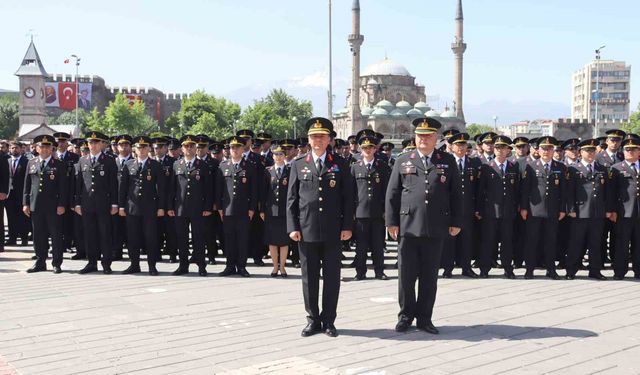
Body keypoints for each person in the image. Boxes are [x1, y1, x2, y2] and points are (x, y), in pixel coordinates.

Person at [386, 117, 462, 334]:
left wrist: (456, 221)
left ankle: (425, 318)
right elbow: (392, 193)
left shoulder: (447, 160)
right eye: (420, 135)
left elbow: (456, 194)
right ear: (415, 137)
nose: (424, 139)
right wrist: (391, 222)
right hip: (408, 226)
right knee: (406, 276)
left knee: (429, 276)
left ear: (436, 138)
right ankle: (405, 316)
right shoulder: (403, 160)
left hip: (436, 226)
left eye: (428, 136)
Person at [287, 117, 354, 338]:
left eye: (321, 137)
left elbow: (348, 199)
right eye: (314, 137)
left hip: (333, 230)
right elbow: (292, 200)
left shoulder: (340, 164)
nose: (317, 140)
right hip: (306, 230)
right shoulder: (299, 164)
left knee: (332, 278)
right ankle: (312, 319)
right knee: (309, 277)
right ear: (308, 139)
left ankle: (329, 320)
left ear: (329, 140)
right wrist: (293, 227)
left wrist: (347, 226)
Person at [520, 136, 567, 280]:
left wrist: (563, 209)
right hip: (534, 210)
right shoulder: (531, 166)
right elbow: (525, 190)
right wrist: (523, 207)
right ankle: (529, 269)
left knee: (551, 241)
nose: (546, 151)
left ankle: (551, 269)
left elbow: (563, 191)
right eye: (543, 149)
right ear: (538, 150)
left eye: (549, 149)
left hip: (553, 211)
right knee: (532, 241)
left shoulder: (560, 167)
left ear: (554, 151)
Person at [118, 136, 166, 276]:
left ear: (149, 148)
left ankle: (152, 266)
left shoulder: (156, 165)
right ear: (135, 149)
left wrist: (161, 207)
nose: (142, 150)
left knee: (151, 238)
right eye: (139, 147)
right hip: (132, 208)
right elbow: (123, 188)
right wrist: (121, 206)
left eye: (144, 147)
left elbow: (161, 188)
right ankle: (134, 265)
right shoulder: (129, 165)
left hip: (150, 208)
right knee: (133, 238)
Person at [565, 139, 612, 280]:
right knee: (576, 243)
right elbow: (569, 192)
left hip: (597, 212)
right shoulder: (574, 169)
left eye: (592, 151)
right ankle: (571, 270)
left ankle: (595, 270)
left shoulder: (602, 169)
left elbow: (607, 192)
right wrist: (571, 209)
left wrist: (608, 209)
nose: (590, 153)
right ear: (581, 152)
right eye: (587, 151)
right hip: (579, 212)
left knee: (595, 243)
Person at [167, 135, 213, 277]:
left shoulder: (203, 165)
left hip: (197, 208)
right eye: (186, 146)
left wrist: (207, 207)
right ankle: (183, 265)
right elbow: (172, 188)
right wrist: (169, 206)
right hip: (180, 207)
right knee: (182, 238)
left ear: (195, 148)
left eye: (192, 146)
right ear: (182, 148)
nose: (189, 148)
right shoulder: (176, 164)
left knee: (198, 237)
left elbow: (208, 189)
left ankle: (201, 266)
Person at [75, 131, 119, 274]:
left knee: (104, 234)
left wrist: (114, 203)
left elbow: (113, 184)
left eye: (95, 142)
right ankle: (91, 262)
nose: (92, 145)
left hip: (103, 204)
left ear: (101, 144)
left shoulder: (109, 160)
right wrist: (77, 203)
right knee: (89, 234)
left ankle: (106, 264)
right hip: (87, 204)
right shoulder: (82, 161)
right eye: (90, 143)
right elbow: (78, 184)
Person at [23, 135, 68, 273]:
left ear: (52, 148)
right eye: (41, 146)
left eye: (47, 147)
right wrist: (25, 203)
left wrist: (62, 204)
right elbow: (27, 185)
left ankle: (56, 263)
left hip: (53, 206)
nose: (44, 149)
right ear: (36, 148)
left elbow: (63, 187)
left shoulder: (59, 164)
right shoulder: (32, 163)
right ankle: (40, 262)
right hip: (36, 205)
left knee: (55, 235)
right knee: (38, 235)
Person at [475, 135, 519, 279]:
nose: (499, 150)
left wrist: (516, 207)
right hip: (490, 211)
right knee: (488, 241)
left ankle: (508, 268)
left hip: (507, 212)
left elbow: (516, 190)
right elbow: (480, 191)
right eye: (497, 147)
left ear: (508, 150)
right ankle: (484, 268)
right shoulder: (487, 167)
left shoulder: (513, 167)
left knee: (507, 242)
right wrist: (479, 209)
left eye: (503, 147)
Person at [217, 136, 258, 277]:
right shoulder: (223, 166)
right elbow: (219, 189)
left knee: (242, 239)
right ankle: (230, 266)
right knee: (229, 240)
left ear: (243, 149)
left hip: (243, 210)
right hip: (227, 210)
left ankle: (241, 266)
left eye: (237, 147)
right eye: (232, 147)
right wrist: (220, 208)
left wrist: (252, 208)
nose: (234, 150)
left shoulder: (249, 166)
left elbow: (254, 190)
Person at [350, 135, 390, 280]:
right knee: (361, 246)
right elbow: (351, 192)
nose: (368, 150)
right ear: (361, 150)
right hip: (360, 212)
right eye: (365, 148)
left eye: (370, 147)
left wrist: (386, 210)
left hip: (378, 212)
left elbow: (387, 191)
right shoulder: (355, 168)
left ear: (375, 149)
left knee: (378, 245)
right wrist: (352, 211)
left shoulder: (382, 166)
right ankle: (360, 272)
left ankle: (379, 271)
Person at [611, 138, 640, 280]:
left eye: (634, 149)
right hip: (624, 211)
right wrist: (612, 210)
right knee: (622, 243)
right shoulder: (617, 168)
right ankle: (619, 271)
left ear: (639, 151)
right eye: (627, 149)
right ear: (623, 152)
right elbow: (611, 192)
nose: (630, 151)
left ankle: (638, 270)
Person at [262, 143, 290, 277]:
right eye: (276, 154)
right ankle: (274, 267)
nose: (278, 157)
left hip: (285, 211)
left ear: (285, 156)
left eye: (281, 154)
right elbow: (263, 192)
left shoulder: (290, 171)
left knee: (284, 241)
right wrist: (262, 209)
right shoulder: (267, 171)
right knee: (272, 240)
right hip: (271, 211)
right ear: (272, 156)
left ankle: (283, 267)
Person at [6, 141, 29, 246]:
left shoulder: (26, 161)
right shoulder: (7, 161)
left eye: (16, 148)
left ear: (20, 149)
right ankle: (12, 238)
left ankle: (24, 238)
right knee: (11, 217)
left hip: (21, 194)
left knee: (22, 217)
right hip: (9, 194)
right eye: (12, 148)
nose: (14, 150)